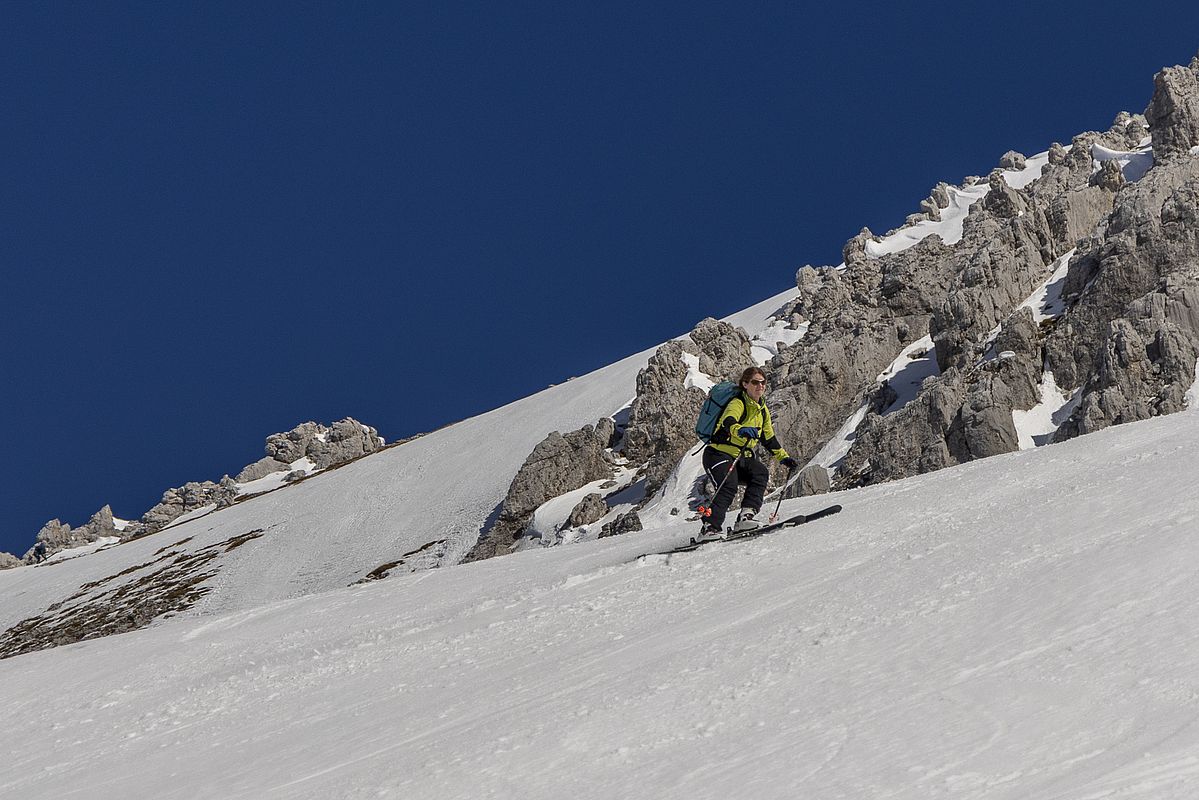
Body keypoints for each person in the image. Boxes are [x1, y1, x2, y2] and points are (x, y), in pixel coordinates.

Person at [699, 367, 799, 540]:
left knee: (760, 472)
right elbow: (728, 421)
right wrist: (740, 430)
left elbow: (768, 438)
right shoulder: (738, 402)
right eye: (755, 382)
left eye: (763, 382)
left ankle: (746, 517)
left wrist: (784, 458)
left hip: (740, 457)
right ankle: (709, 528)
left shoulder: (762, 409)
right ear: (745, 384)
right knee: (728, 485)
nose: (760, 386)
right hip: (717, 454)